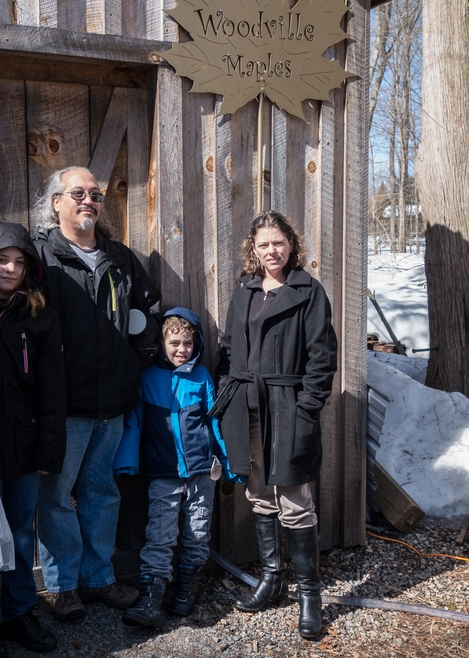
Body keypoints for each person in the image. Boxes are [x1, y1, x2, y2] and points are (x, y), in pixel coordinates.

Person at [33, 166, 162, 622]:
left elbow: (148, 312)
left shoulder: (120, 257)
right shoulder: (40, 258)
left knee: (102, 493)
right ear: (56, 202)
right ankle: (62, 585)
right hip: (63, 405)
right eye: (78, 193)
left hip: (112, 402)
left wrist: (135, 361)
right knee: (55, 496)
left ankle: (99, 577)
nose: (88, 200)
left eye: (95, 193)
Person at [215, 210, 338, 640]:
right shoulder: (244, 291)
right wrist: (226, 393)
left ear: (292, 245)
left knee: (294, 497)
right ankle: (272, 578)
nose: (272, 251)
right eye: (263, 244)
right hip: (246, 406)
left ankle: (309, 594)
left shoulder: (308, 291)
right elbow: (228, 348)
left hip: (287, 407)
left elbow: (322, 358)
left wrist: (307, 407)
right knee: (259, 493)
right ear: (253, 248)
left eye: (279, 243)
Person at [0, 222, 67, 657]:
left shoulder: (39, 316)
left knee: (21, 532)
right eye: (2, 260)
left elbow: (52, 389)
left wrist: (48, 448)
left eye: (19, 262)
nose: (10, 268)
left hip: (25, 441)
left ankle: (20, 612)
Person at [116, 308, 242, 629]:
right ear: (161, 343)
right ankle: (151, 598)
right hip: (163, 471)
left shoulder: (201, 378)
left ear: (196, 343)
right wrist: (128, 460)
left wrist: (227, 461)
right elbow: (136, 423)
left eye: (188, 342)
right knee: (159, 534)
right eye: (174, 342)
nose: (181, 349)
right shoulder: (148, 379)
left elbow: (214, 423)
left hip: (202, 471)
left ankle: (185, 588)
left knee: (197, 532)